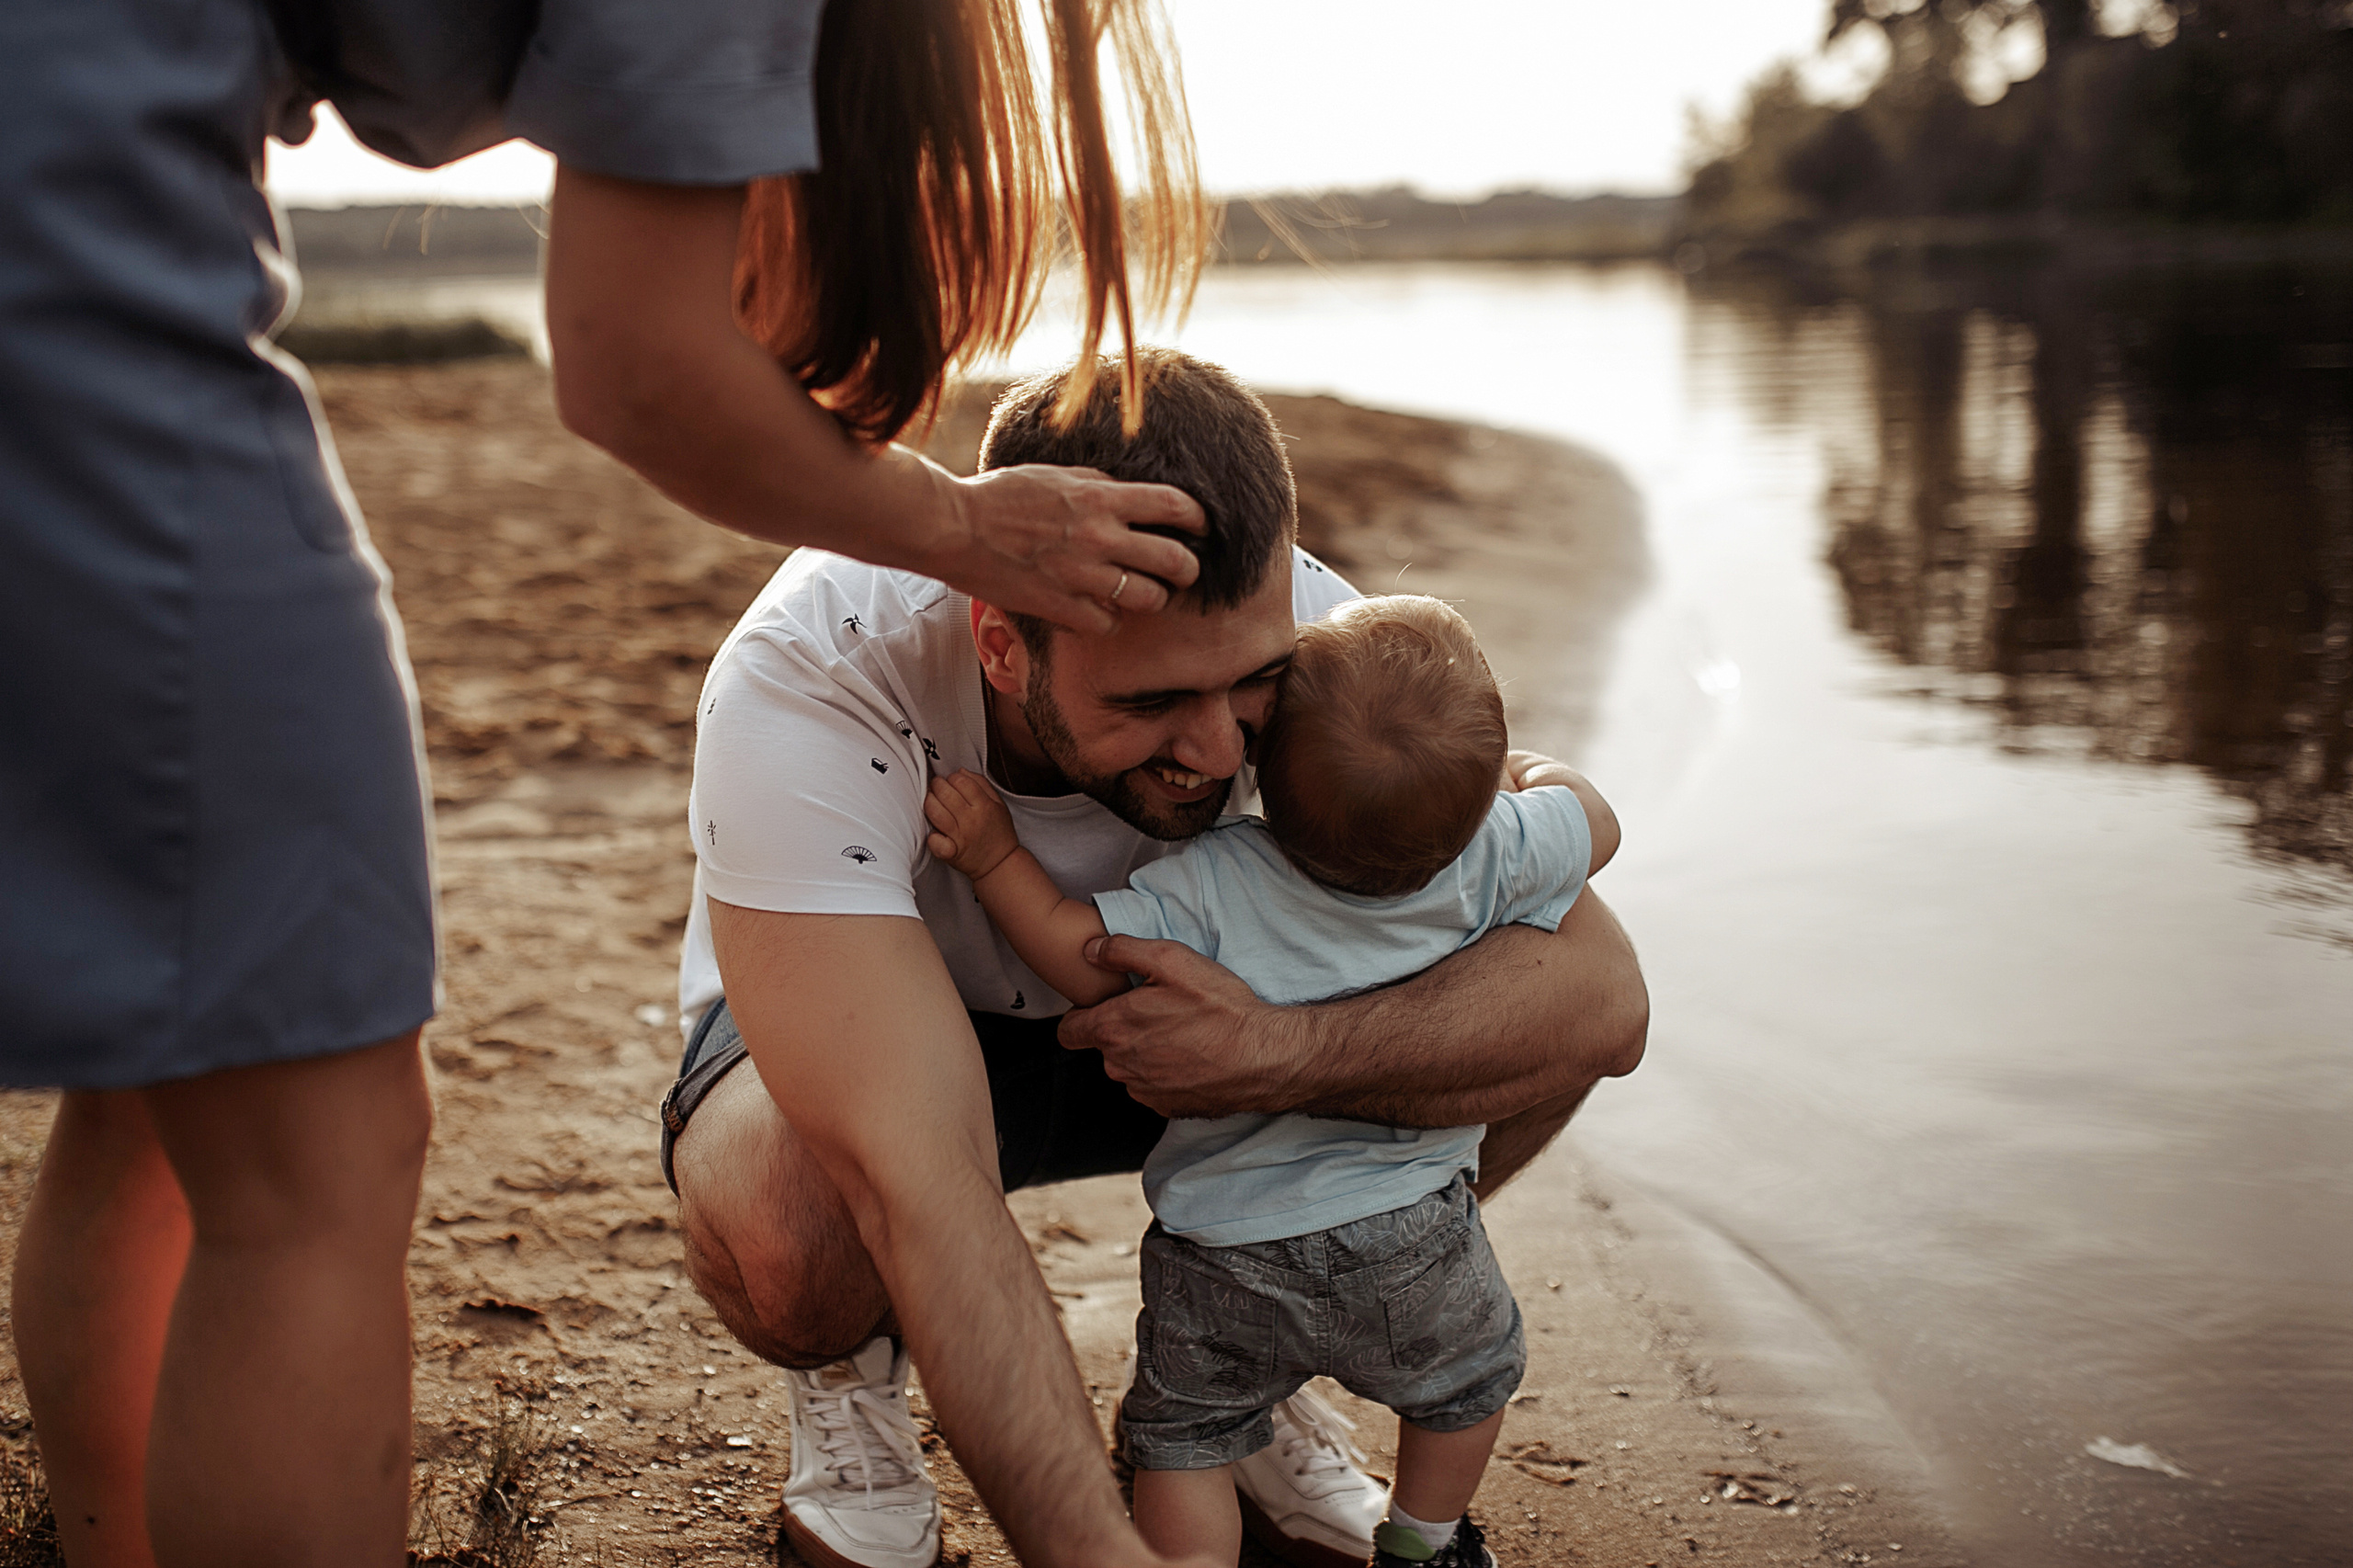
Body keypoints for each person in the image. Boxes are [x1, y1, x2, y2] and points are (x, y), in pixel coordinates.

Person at [3, 2, 1204, 1563]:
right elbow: (639, 363)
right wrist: (970, 528)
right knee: (312, 1140)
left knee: (178, 1077)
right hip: (65, 249)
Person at [664, 348, 1650, 1568]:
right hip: (889, 1022)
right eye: (1152, 700)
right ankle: (853, 1383)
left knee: (1513, 1039)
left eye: (1252, 687)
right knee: (796, 1243)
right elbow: (912, 1169)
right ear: (1003, 644)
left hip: (1204, 1042)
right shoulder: (816, 672)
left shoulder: (1335, 651)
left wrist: (1279, 1049)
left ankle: (1252, 1350)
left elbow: (1599, 1001)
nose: (1211, 747)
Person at [922, 594, 1621, 1568]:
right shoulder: (1496, 852)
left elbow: (1085, 955)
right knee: (1466, 1384)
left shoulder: (1214, 877)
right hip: (1413, 1239)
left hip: (1223, 1254)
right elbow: (1595, 817)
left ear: (1258, 762)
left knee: (1186, 1438)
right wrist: (1523, 776)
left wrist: (998, 859)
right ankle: (1422, 1541)